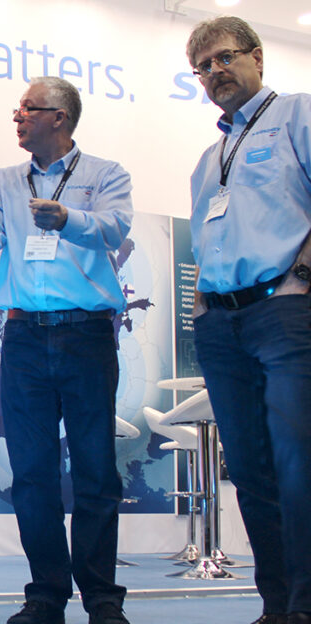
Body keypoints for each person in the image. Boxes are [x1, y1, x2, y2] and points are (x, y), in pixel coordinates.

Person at [0, 76, 133, 624]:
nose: (18, 117)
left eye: (29, 109)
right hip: (24, 336)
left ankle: (101, 597)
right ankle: (47, 593)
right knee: (32, 471)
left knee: (97, 469)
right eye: (19, 109)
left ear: (61, 117)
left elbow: (115, 228)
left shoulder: (105, 174)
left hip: (87, 335)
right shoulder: (6, 181)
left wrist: (68, 218)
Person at [185, 16, 311, 624]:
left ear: (257, 57)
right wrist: (202, 305)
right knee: (253, 473)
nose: (214, 73)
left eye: (224, 58)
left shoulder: (297, 115)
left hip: (285, 311)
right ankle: (277, 605)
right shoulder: (208, 160)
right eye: (202, 67)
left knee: (298, 461)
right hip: (222, 327)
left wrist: (305, 274)